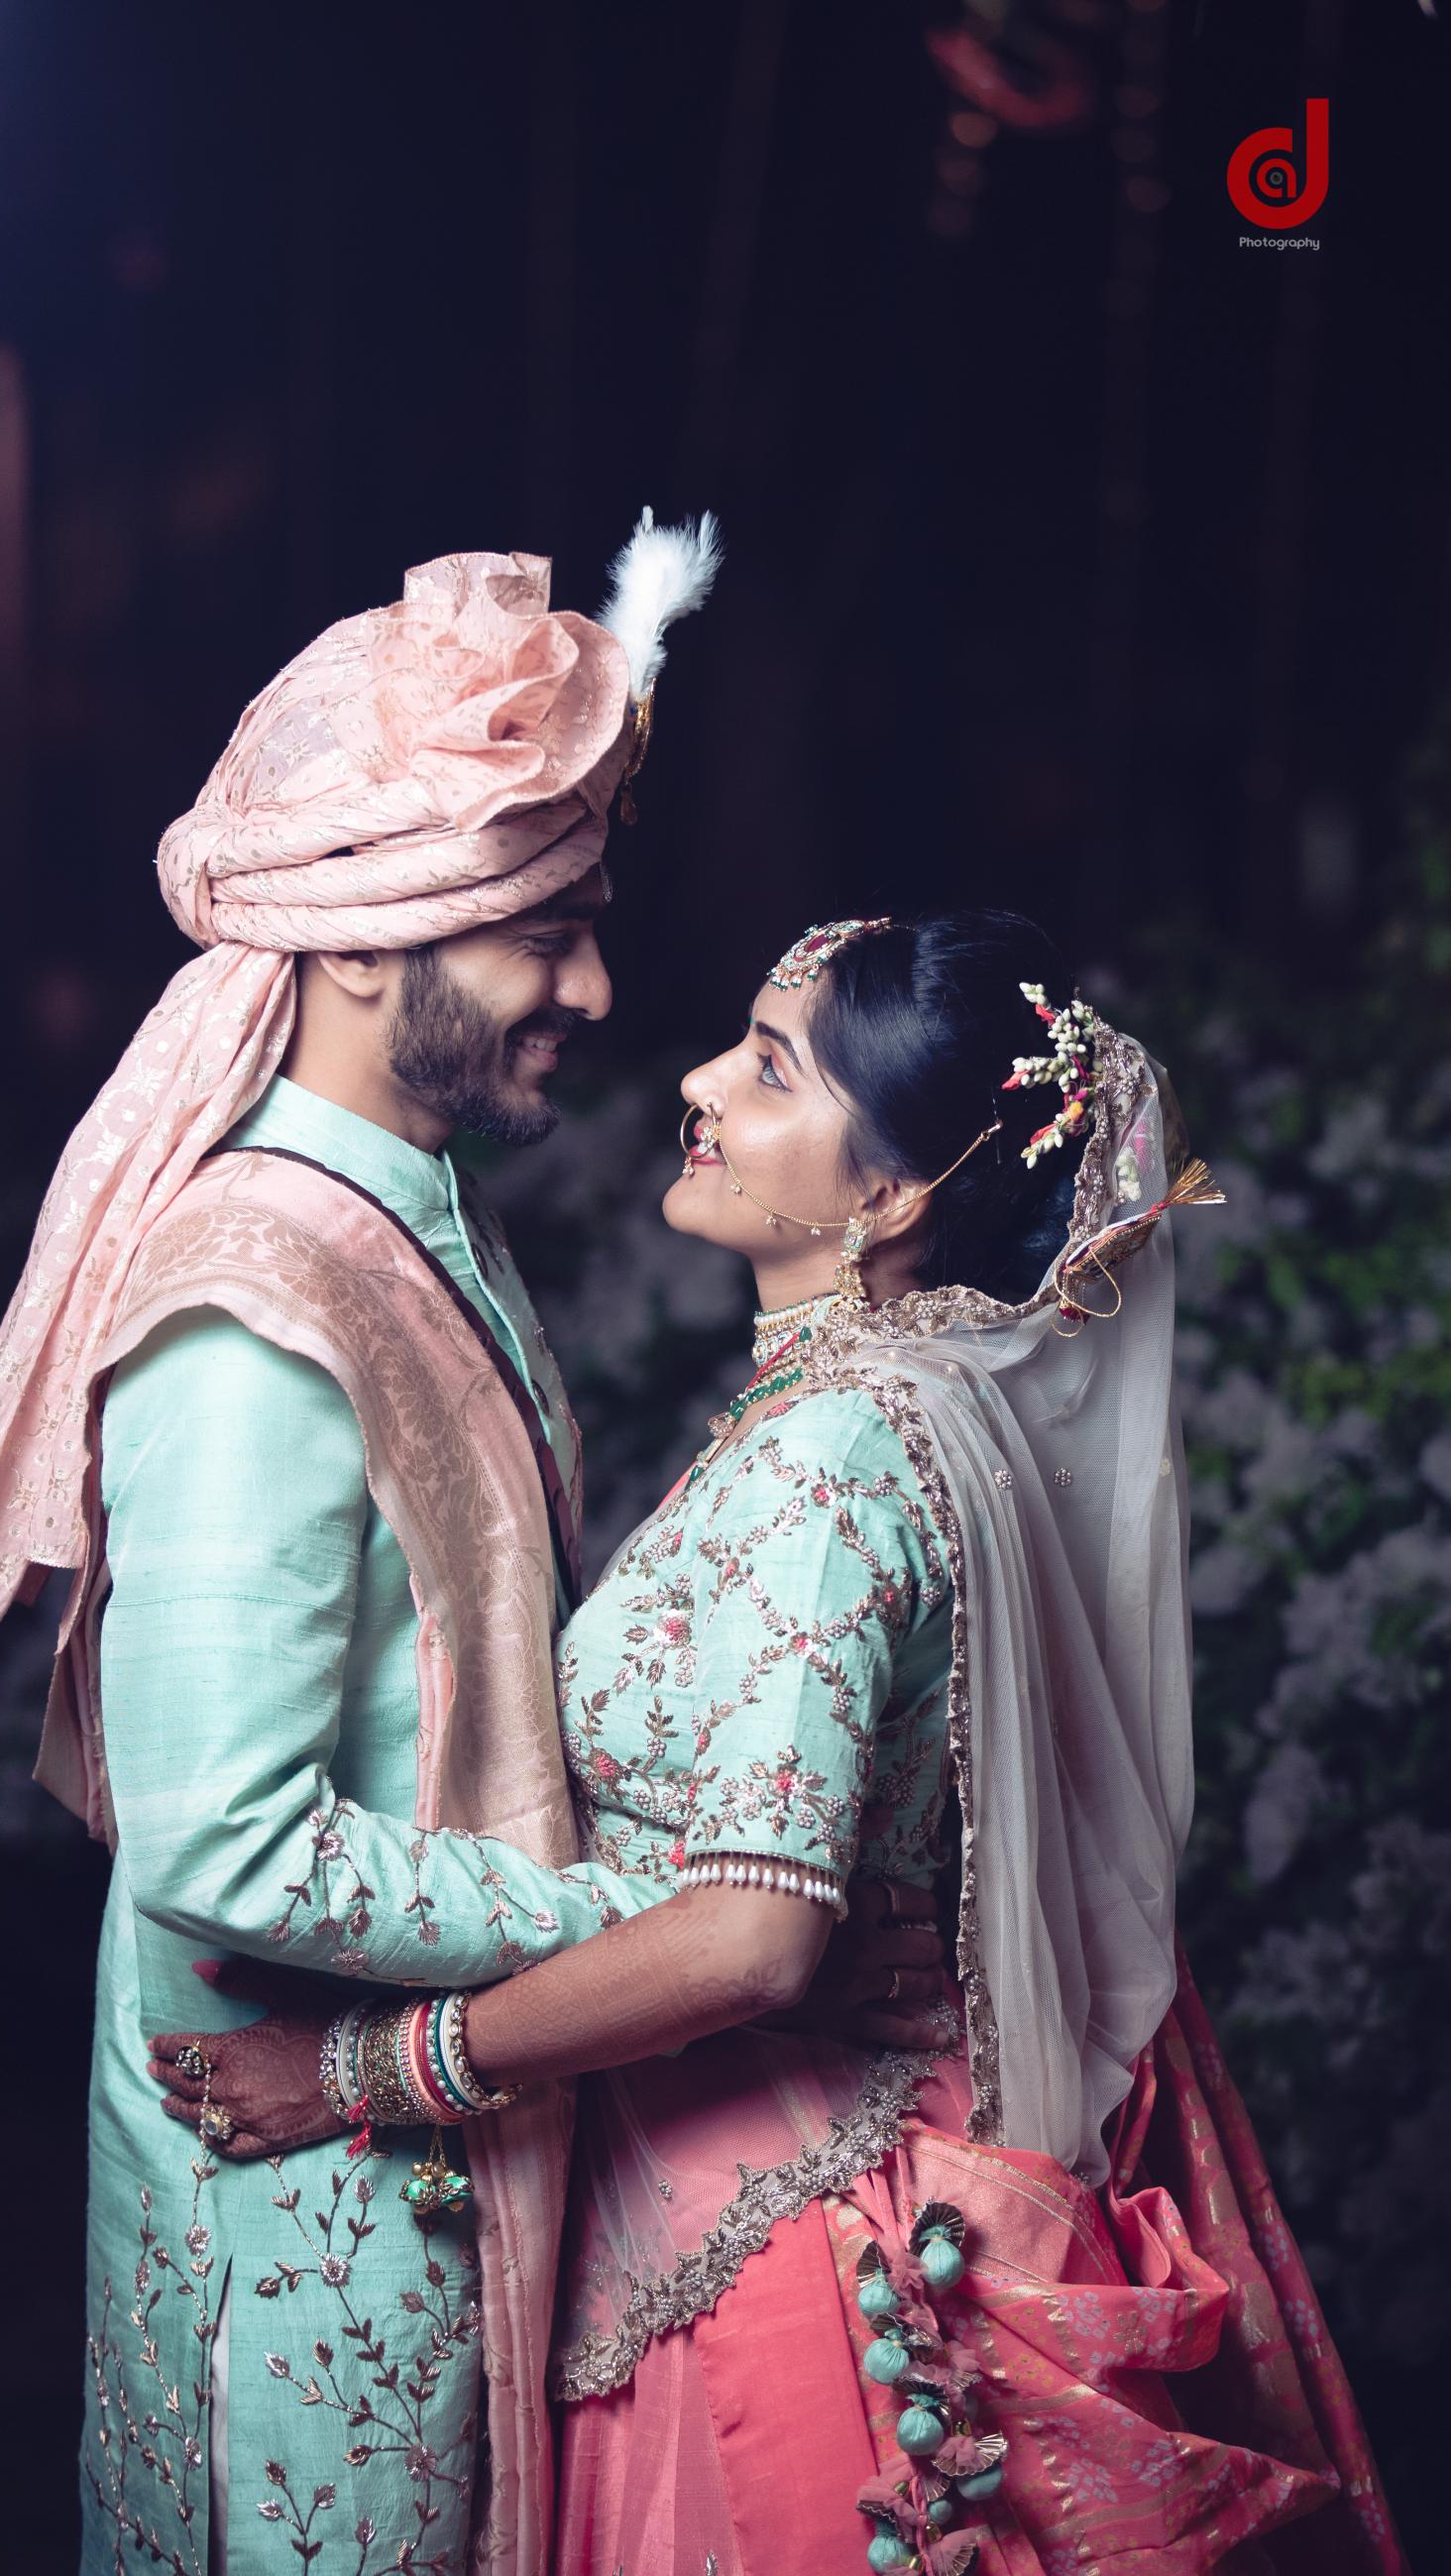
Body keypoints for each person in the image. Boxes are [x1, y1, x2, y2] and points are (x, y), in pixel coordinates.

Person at [0, 523, 945, 2576]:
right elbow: (219, 1847)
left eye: (587, 926)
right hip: (295, 2187)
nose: (596, 992)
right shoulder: (255, 1305)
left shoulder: (406, 1216)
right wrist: (637, 1916)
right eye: (544, 935)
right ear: (371, 942)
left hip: (417, 2134)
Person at [153, 913, 1408, 2576]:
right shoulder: (874, 1415)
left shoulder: (833, 1460)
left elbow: (752, 1938)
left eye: (768, 1070)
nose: (697, 1082)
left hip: (786, 2252)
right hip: (741, 2189)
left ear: (888, 1198)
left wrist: (365, 2073)